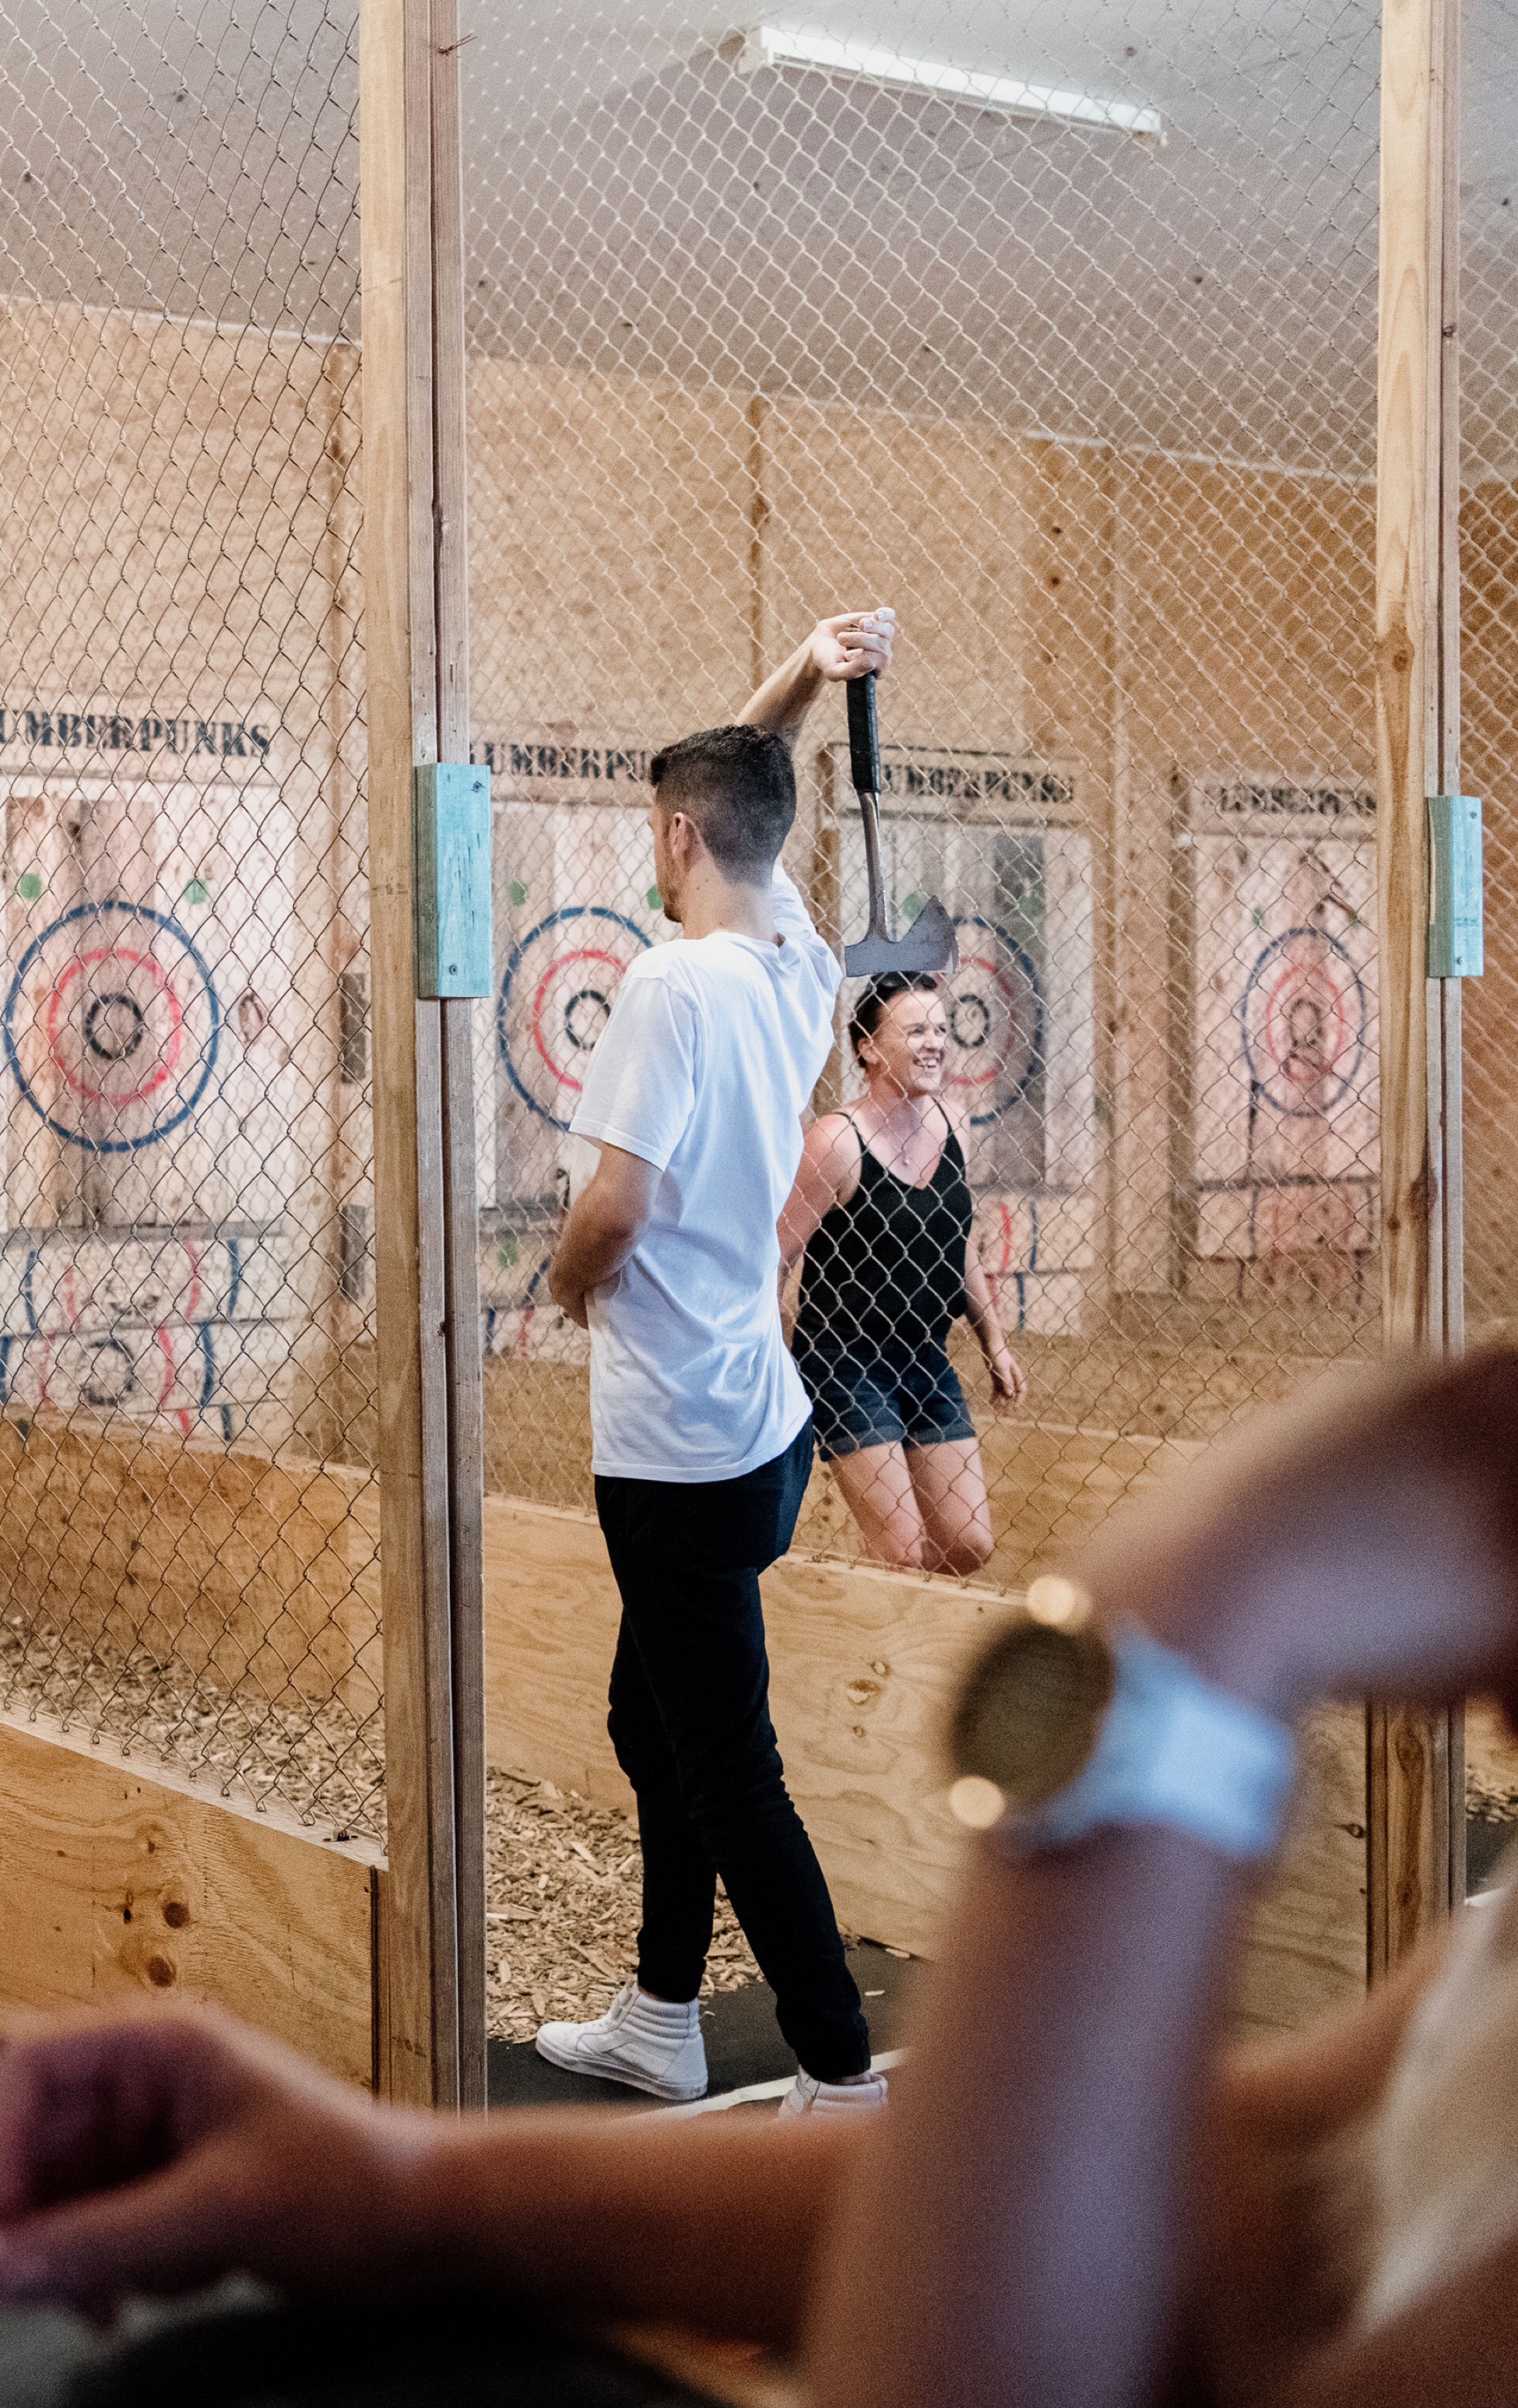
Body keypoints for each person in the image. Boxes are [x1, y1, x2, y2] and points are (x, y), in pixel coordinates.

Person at [0, 2, 1518, 2395]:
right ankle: (683, 2019)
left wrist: (1177, 1633)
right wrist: (403, 2191)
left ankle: (796, 2030)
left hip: (705, 1417)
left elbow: (1033, 2331)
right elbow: (1260, 2197)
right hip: (752, 1406)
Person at [530, 603, 894, 2116]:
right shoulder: (798, 959)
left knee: (726, 1764)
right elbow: (751, 774)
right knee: (652, 1719)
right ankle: (658, 2013)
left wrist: (561, 1287)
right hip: (759, 1430)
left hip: (673, 1444)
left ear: (676, 836)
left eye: (657, 829)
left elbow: (612, 1206)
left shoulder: (668, 984)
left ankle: (838, 2069)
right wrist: (808, 669)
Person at [781, 971, 1026, 1573]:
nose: (935, 1042)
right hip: (845, 1359)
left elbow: (956, 1242)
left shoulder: (953, 1123)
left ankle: (899, 1620)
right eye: (915, 1030)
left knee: (967, 1544)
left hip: (924, 1354)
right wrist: (770, 1364)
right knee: (902, 1551)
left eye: (941, 1029)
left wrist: (993, 1340)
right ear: (867, 1048)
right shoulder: (836, 1141)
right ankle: (875, 1628)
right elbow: (776, 1256)